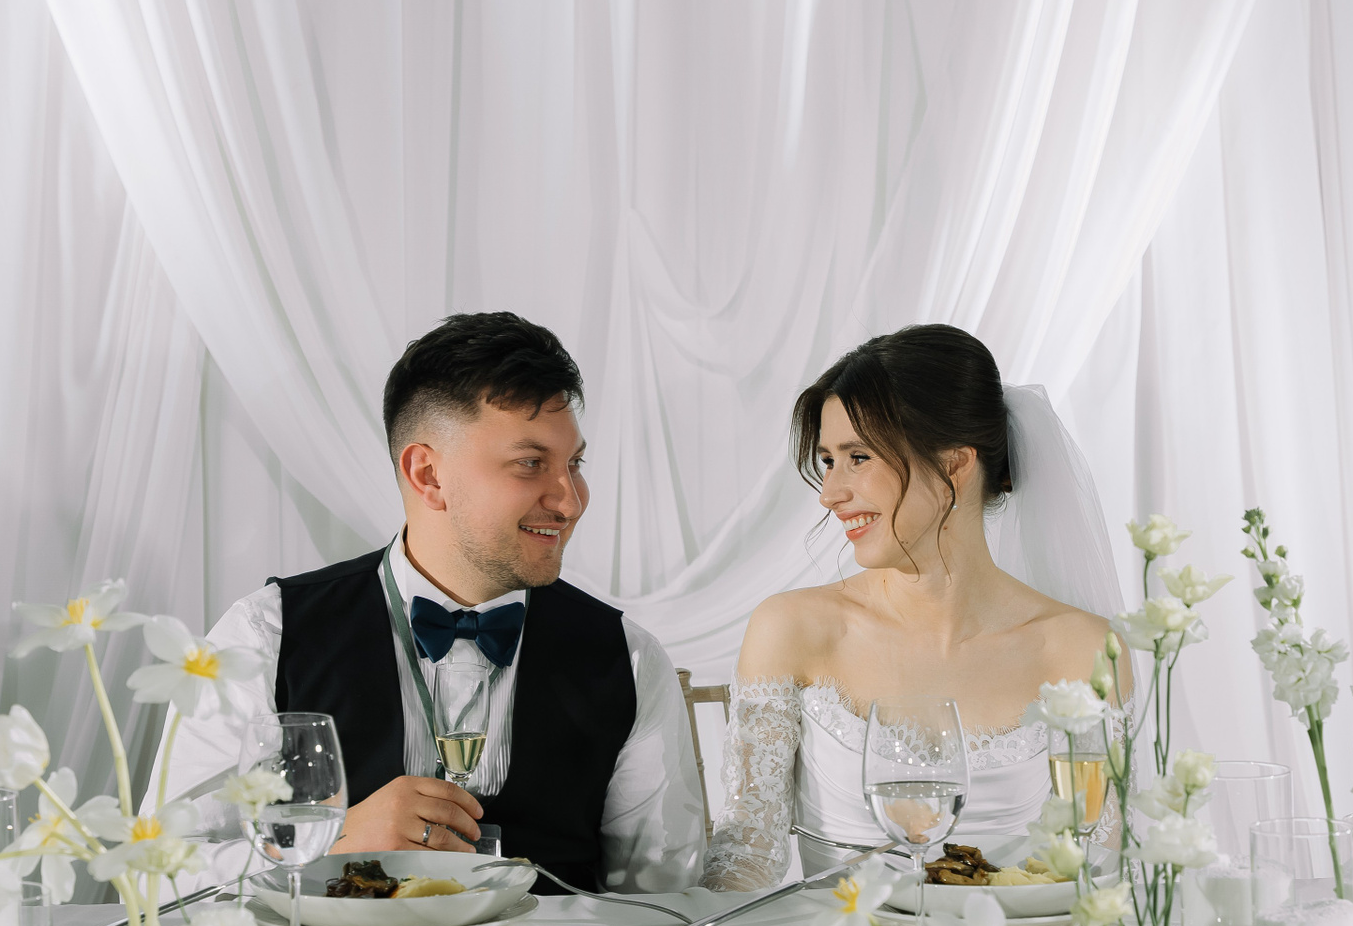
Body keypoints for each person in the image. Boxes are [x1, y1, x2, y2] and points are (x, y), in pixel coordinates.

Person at [160, 312, 705, 894]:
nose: (570, 501)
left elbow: (664, 900)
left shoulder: (628, 658)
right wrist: (330, 845)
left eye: (574, 464)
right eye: (530, 464)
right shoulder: (263, 634)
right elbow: (161, 874)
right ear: (428, 475)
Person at [701, 324, 1124, 891]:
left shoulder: (1082, 649)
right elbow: (744, 857)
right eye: (827, 460)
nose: (829, 494)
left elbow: (1095, 870)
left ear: (954, 465)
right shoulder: (792, 629)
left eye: (858, 457)